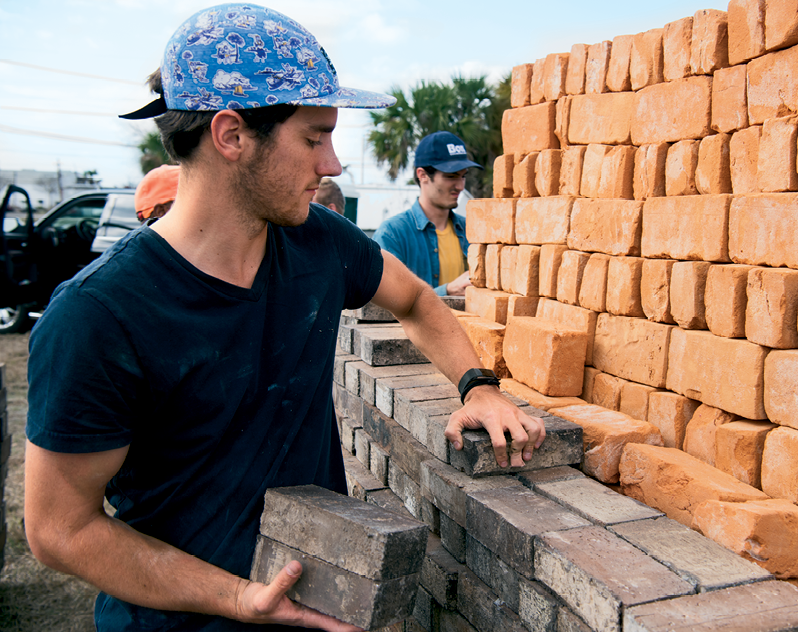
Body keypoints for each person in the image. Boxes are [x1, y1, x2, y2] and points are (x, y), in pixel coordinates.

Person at [23, 4, 544, 632]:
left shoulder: (319, 243)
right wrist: (242, 599)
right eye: (313, 137)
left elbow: (418, 301)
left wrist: (477, 387)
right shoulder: (98, 315)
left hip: (319, 600)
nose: (332, 165)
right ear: (232, 135)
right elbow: (59, 529)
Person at [372, 131, 478, 297]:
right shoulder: (393, 234)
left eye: (463, 176)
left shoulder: (472, 230)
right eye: (451, 176)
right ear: (422, 175)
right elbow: (386, 303)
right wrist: (447, 291)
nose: (460, 186)